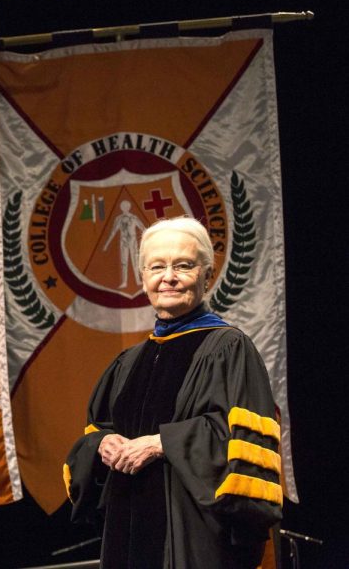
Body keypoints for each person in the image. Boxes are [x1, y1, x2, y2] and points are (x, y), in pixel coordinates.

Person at [63, 216, 282, 568]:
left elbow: (247, 446)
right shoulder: (128, 362)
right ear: (143, 278)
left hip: (196, 537)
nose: (169, 277)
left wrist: (161, 443)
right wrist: (100, 444)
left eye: (184, 265)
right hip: (127, 534)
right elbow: (95, 432)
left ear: (207, 275)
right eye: (157, 266)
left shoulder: (229, 348)